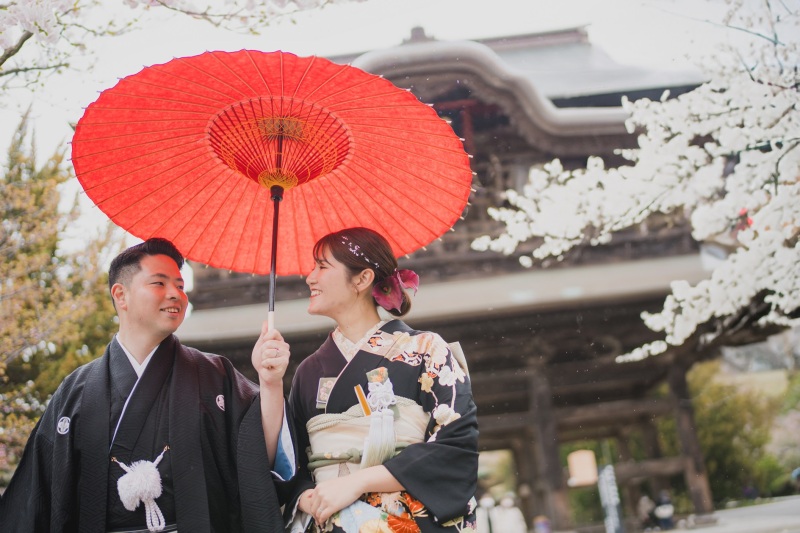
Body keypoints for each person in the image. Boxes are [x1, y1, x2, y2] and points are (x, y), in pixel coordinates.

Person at [0, 237, 294, 532]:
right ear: (121, 295)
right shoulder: (77, 390)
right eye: (159, 284)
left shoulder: (214, 373)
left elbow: (259, 456)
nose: (175, 294)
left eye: (180, 285)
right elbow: (36, 494)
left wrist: (269, 383)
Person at [286, 227, 479, 532]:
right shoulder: (309, 371)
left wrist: (358, 482)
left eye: (322, 267)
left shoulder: (425, 349)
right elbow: (290, 464)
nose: (310, 277)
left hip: (407, 520)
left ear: (362, 279)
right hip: (331, 520)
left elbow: (455, 443)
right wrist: (309, 499)